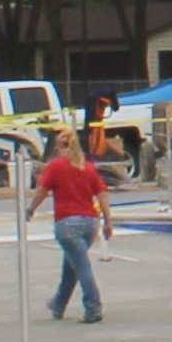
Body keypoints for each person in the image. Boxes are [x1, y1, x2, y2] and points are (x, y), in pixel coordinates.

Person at [31, 131, 113, 322]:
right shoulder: (88, 168)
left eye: (57, 147)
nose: (56, 151)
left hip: (67, 223)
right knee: (71, 266)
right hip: (90, 223)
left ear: (62, 147)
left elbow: (41, 191)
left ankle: (93, 307)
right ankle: (58, 304)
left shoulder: (55, 167)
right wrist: (108, 222)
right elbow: (102, 196)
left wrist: (30, 209)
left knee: (81, 266)